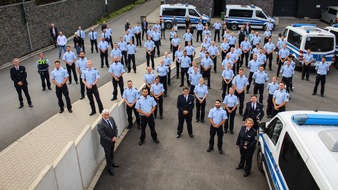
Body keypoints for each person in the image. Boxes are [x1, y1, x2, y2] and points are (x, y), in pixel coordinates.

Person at [97, 109, 119, 176]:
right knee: (108, 154)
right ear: (102, 115)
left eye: (108, 114)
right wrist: (111, 140)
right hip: (106, 143)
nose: (107, 116)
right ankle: (109, 168)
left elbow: (115, 128)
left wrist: (115, 136)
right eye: (105, 115)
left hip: (112, 140)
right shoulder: (100, 124)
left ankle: (112, 162)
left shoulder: (111, 118)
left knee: (112, 152)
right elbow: (103, 135)